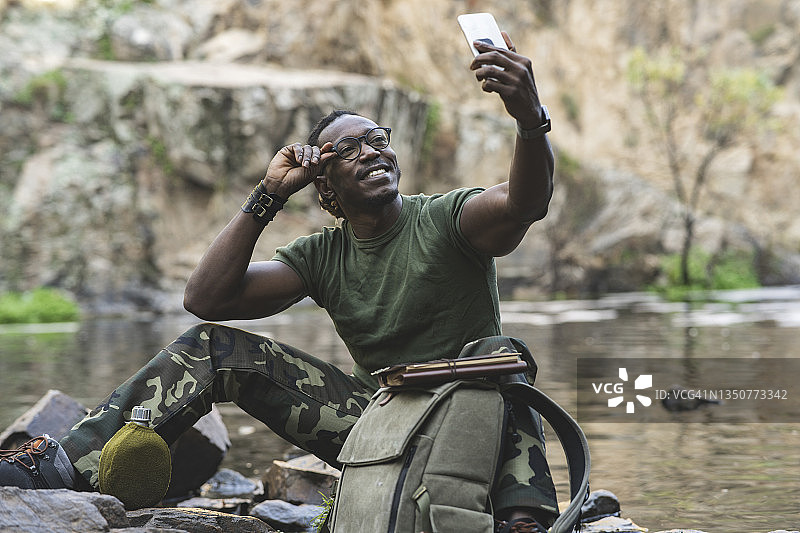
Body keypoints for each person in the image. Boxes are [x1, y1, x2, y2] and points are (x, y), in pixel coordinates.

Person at [0, 33, 556, 531]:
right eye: (347, 149)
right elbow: (206, 299)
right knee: (210, 348)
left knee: (503, 355)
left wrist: (529, 117)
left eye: (378, 139)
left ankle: (522, 517)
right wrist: (268, 195)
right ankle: (65, 467)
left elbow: (526, 202)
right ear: (327, 191)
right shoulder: (321, 256)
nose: (372, 151)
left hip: (469, 421)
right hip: (374, 423)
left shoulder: (449, 217)